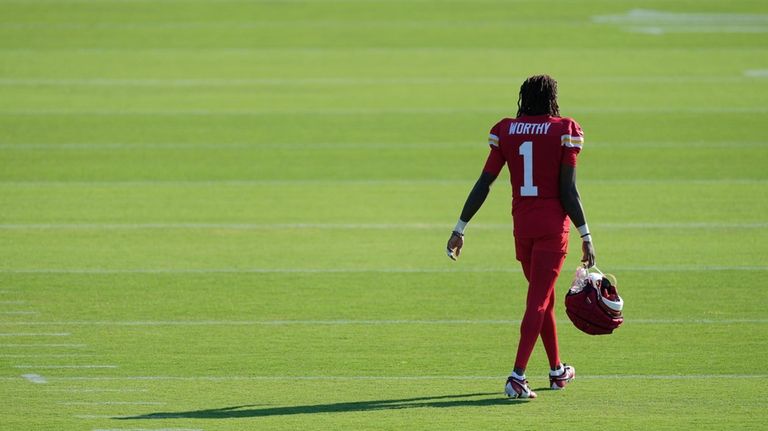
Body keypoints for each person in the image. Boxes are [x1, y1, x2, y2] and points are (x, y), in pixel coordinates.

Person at [446, 75, 596, 399]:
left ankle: (557, 371)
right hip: (552, 228)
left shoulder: (506, 130)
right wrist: (586, 234)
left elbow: (484, 183)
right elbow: (568, 192)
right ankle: (517, 376)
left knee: (544, 299)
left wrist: (460, 227)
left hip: (522, 228)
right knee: (538, 301)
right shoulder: (564, 130)